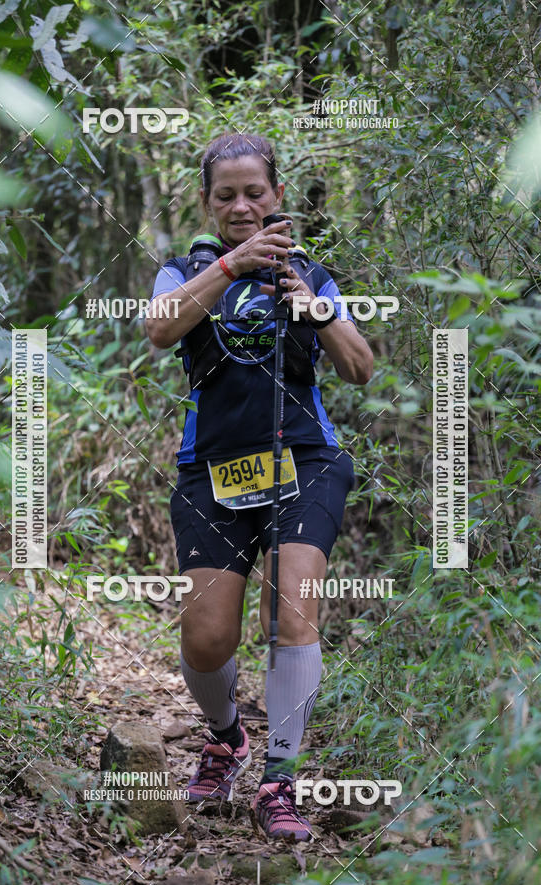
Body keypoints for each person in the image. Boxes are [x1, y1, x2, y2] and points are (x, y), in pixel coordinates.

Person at [146, 133, 373, 842]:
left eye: (255, 193)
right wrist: (233, 267)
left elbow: (361, 368)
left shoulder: (312, 274)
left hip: (305, 462)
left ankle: (278, 781)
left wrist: (315, 307)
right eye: (226, 196)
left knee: (291, 616)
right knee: (208, 636)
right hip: (211, 469)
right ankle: (225, 739)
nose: (242, 205)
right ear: (209, 204)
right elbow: (159, 329)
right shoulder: (181, 271)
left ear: (276, 195)